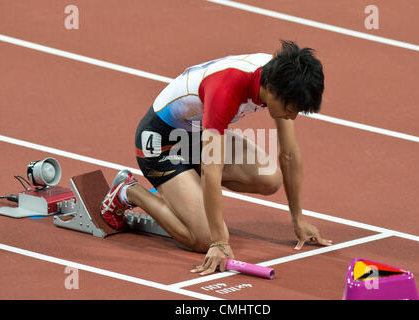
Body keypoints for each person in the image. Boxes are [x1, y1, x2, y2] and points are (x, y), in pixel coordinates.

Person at [100, 40, 332, 276]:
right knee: (204, 238)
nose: (292, 116)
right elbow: (213, 169)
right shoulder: (227, 89)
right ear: (272, 90)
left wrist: (298, 219)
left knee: (269, 178)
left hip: (197, 135)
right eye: (291, 109)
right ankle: (128, 191)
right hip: (161, 145)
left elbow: (289, 153)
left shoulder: (281, 75)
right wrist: (219, 243)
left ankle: (183, 190)